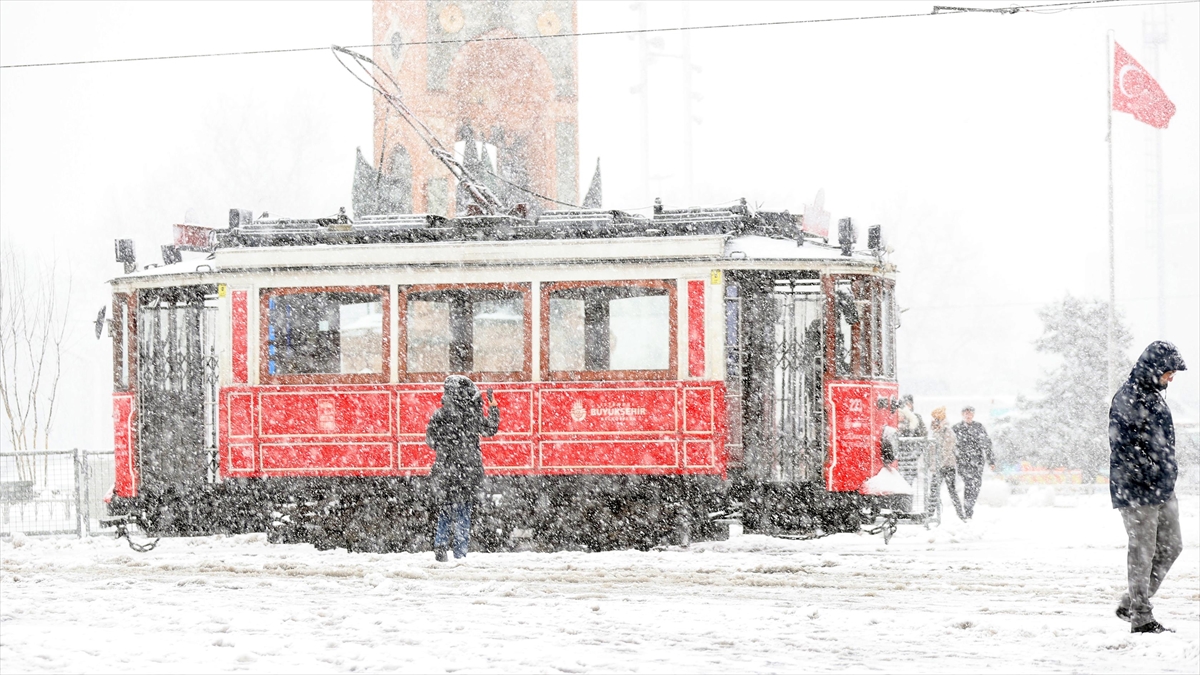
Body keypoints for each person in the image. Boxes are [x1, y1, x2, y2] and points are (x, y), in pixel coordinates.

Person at [1109, 341, 1187, 634]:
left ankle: (1131, 600)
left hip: (1162, 488)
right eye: (1169, 372)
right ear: (1155, 370)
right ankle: (1141, 616)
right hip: (1138, 490)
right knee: (1142, 551)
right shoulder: (1129, 397)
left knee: (1172, 546)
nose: (1171, 378)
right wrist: (1151, 471)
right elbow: (1123, 446)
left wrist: (1167, 474)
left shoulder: (1154, 396)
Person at [425, 375, 500, 561]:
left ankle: (440, 545)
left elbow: (430, 440)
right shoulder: (472, 414)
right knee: (464, 512)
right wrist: (493, 406)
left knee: (446, 509)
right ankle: (460, 551)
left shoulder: (440, 414)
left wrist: (445, 449)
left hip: (446, 471)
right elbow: (490, 428)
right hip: (468, 471)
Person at [951, 405, 994, 520]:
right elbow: (950, 445)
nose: (968, 415)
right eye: (966, 413)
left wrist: (991, 460)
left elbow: (987, 444)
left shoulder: (978, 427)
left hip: (977, 462)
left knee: (976, 486)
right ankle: (968, 509)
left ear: (973, 415)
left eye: (970, 413)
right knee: (969, 484)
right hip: (963, 462)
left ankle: (969, 506)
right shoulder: (956, 428)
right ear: (962, 414)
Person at [926, 407, 964, 522]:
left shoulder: (948, 431)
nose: (935, 422)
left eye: (937, 419)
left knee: (950, 490)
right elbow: (931, 449)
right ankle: (930, 513)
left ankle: (960, 514)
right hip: (939, 466)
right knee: (934, 490)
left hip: (947, 466)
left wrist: (938, 464)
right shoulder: (935, 431)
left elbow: (947, 449)